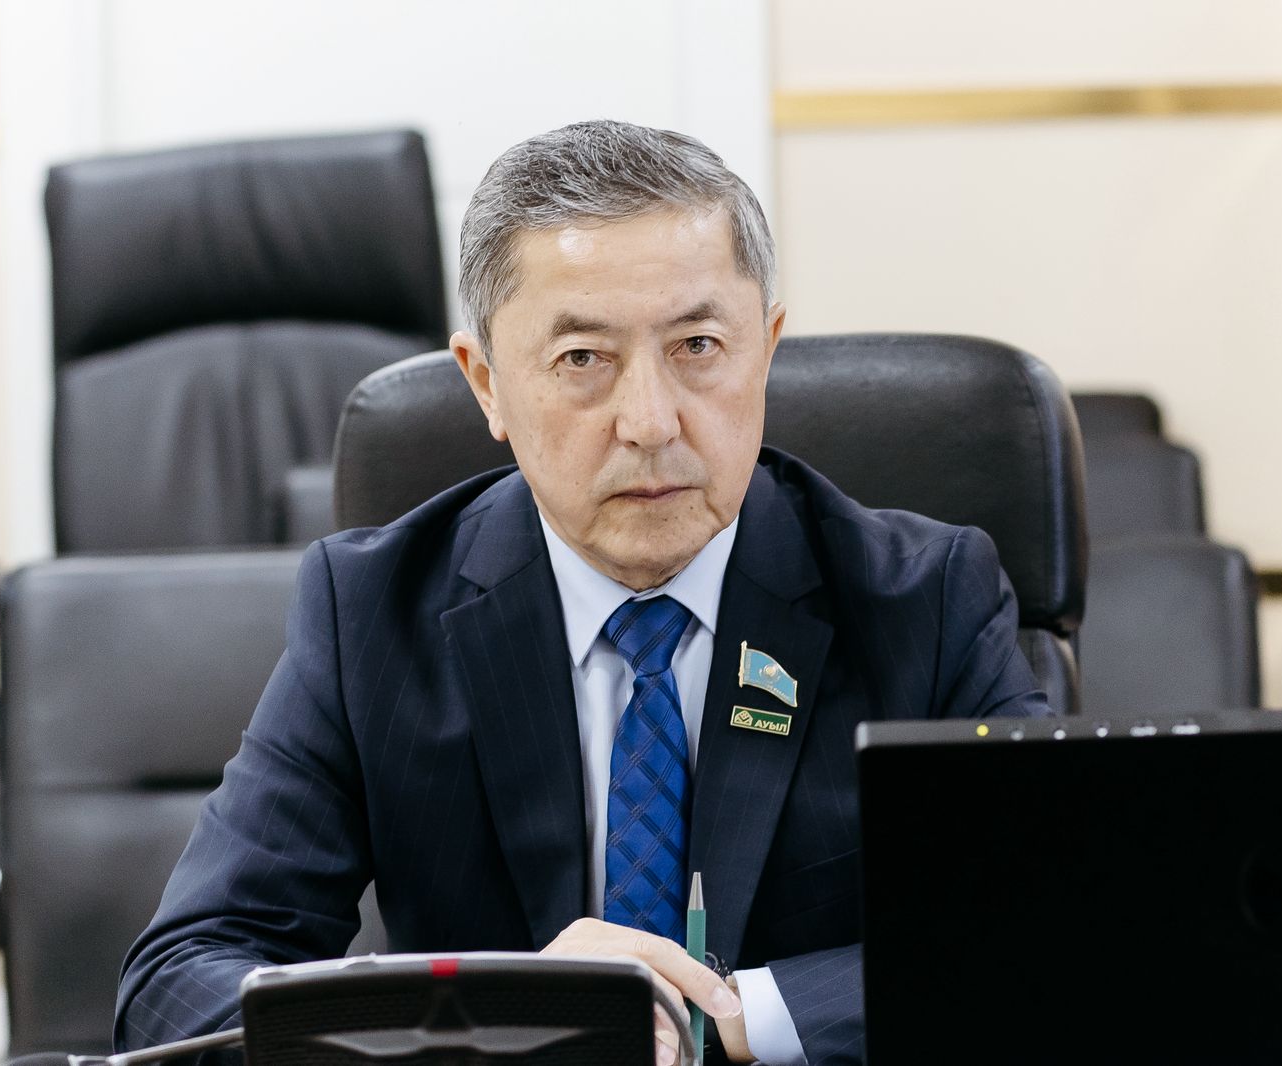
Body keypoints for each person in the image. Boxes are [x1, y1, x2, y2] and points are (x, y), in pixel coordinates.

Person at [116, 119, 1050, 1066]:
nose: (650, 421)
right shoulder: (371, 614)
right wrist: (511, 1016)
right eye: (582, 360)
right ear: (486, 383)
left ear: (766, 349)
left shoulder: (925, 600)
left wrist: (731, 1014)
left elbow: (1054, 932)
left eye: (698, 345)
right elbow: (177, 986)